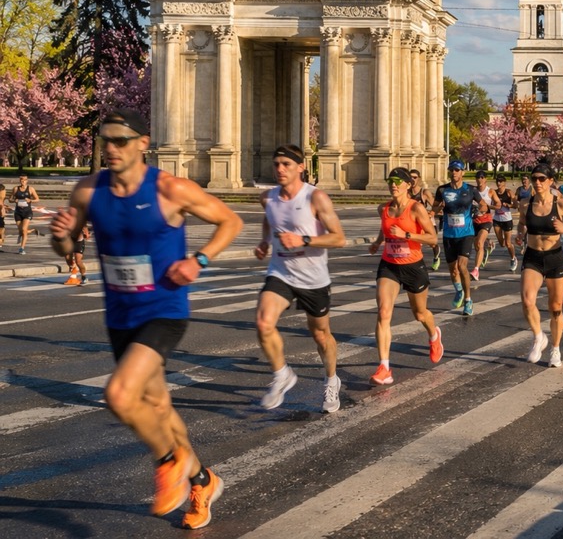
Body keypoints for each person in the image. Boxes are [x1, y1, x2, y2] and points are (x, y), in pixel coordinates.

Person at [48, 108, 244, 529]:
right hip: (120, 314)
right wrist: (61, 235)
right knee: (157, 405)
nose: (112, 148)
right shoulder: (87, 191)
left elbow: (230, 220)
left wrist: (200, 260)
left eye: (121, 140)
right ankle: (203, 480)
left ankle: (170, 461)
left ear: (142, 143)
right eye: (106, 141)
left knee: (121, 395)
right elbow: (66, 251)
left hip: (164, 310)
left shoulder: (170, 189)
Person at [253, 145, 347, 413]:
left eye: (286, 164)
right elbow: (269, 219)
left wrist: (304, 239)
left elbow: (339, 238)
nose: (280, 169)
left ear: (301, 167)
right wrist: (264, 241)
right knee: (263, 322)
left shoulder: (315, 198)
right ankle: (282, 374)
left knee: (320, 335)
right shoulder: (267, 198)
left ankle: (331, 379)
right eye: (276, 164)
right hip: (281, 272)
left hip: (313, 278)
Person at [369, 167, 443, 385]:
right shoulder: (383, 208)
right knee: (383, 312)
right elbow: (386, 227)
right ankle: (384, 367)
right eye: (390, 181)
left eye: (397, 181)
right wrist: (377, 242)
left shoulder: (416, 208)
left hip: (413, 266)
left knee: (420, 314)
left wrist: (406, 234)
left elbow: (432, 239)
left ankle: (434, 335)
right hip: (389, 265)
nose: (393, 185)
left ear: (407, 185)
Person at [518, 163, 563, 368]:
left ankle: (555, 349)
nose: (537, 182)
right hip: (532, 256)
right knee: (527, 300)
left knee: (555, 307)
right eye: (534, 178)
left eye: (541, 179)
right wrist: (520, 234)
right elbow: (522, 222)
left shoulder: (561, 205)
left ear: (550, 181)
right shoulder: (524, 203)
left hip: (555, 257)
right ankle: (539, 336)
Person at [434, 160, 484, 315]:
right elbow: (434, 207)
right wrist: (438, 209)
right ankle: (459, 291)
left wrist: (479, 211)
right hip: (449, 234)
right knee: (453, 270)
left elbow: (484, 205)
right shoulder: (442, 190)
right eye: (452, 170)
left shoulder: (470, 190)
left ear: (462, 172)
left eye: (457, 170)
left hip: (466, 233)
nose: (454, 172)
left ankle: (468, 300)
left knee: (462, 267)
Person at [470, 170, 496, 279]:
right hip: (474, 220)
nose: (479, 179)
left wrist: (487, 207)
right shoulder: (472, 191)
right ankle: (488, 246)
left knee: (479, 243)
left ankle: (476, 270)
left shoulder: (490, 191)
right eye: (477, 177)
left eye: (481, 177)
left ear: (485, 179)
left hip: (486, 220)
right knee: (477, 245)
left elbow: (498, 204)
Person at [491, 175, 519, 272]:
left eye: (500, 181)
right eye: (497, 181)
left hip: (507, 219)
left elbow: (515, 205)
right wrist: (494, 206)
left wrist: (508, 205)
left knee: (507, 243)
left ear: (504, 183)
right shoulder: (493, 192)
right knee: (502, 244)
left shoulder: (508, 192)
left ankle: (513, 258)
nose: (498, 183)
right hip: (497, 219)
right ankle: (490, 244)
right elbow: (491, 204)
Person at [9, 174, 39, 254]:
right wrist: (13, 201)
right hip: (18, 212)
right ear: (19, 181)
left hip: (27, 212)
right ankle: (32, 231)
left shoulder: (31, 189)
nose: (23, 181)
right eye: (21, 179)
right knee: (22, 231)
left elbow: (37, 199)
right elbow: (10, 199)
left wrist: (30, 200)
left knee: (23, 230)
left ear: (27, 180)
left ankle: (21, 248)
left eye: (24, 179)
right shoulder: (16, 189)